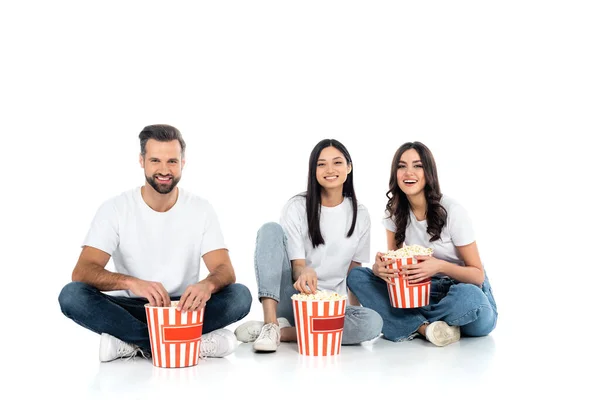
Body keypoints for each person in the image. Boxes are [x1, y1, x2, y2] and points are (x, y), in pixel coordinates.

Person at [58, 124, 252, 361]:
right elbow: (83, 271)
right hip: (133, 309)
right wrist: (132, 282)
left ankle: (135, 343)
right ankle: (183, 343)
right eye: (155, 161)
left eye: (172, 161)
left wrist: (207, 285)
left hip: (184, 308)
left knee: (240, 296)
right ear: (142, 161)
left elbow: (224, 270)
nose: (164, 169)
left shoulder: (201, 209)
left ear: (183, 162)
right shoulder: (116, 209)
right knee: (72, 295)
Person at [234, 139, 383, 352]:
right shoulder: (297, 207)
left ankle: (282, 332)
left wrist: (353, 313)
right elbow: (297, 266)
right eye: (321, 164)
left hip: (329, 306)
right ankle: (270, 323)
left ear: (349, 167)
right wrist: (305, 271)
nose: (330, 170)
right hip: (295, 298)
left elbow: (354, 271)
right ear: (313, 170)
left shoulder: (361, 214)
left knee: (373, 323)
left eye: (337, 163)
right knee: (270, 229)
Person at [347, 141, 497, 347]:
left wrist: (439, 266)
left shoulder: (452, 211)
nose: (409, 172)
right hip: (419, 292)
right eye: (402, 166)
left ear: (429, 172)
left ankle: (408, 322)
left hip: (460, 290)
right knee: (357, 276)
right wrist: (380, 269)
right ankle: (427, 328)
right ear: (395, 173)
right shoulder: (395, 212)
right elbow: (396, 265)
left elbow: (477, 275)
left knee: (470, 298)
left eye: (417, 166)